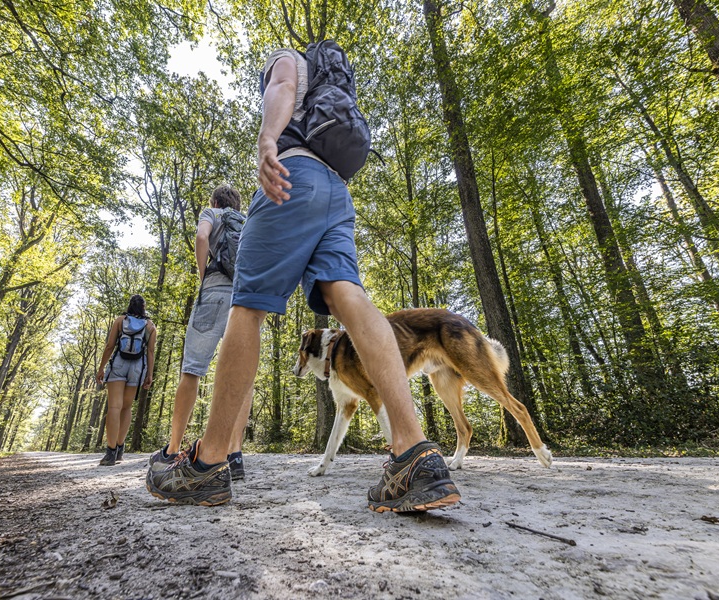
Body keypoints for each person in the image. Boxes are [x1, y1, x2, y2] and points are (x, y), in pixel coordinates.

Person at [147, 44, 461, 512]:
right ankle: (415, 454)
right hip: (337, 190)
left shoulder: (291, 57)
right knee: (350, 298)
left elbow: (283, 84)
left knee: (248, 306)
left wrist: (267, 140)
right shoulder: (335, 83)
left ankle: (207, 465)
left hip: (293, 176)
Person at [148, 185, 252, 480]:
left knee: (192, 370)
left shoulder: (213, 213)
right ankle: (234, 453)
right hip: (243, 299)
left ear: (216, 201)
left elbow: (201, 236)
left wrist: (203, 272)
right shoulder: (247, 222)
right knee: (242, 375)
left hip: (214, 292)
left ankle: (172, 449)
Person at [96, 294, 156, 466]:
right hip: (137, 367)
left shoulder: (120, 320)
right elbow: (150, 352)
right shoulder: (150, 326)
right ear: (144, 307)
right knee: (127, 407)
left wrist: (101, 368)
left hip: (119, 364)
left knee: (114, 406)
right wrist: (149, 375)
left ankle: (110, 453)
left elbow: (110, 346)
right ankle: (120, 449)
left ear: (130, 306)